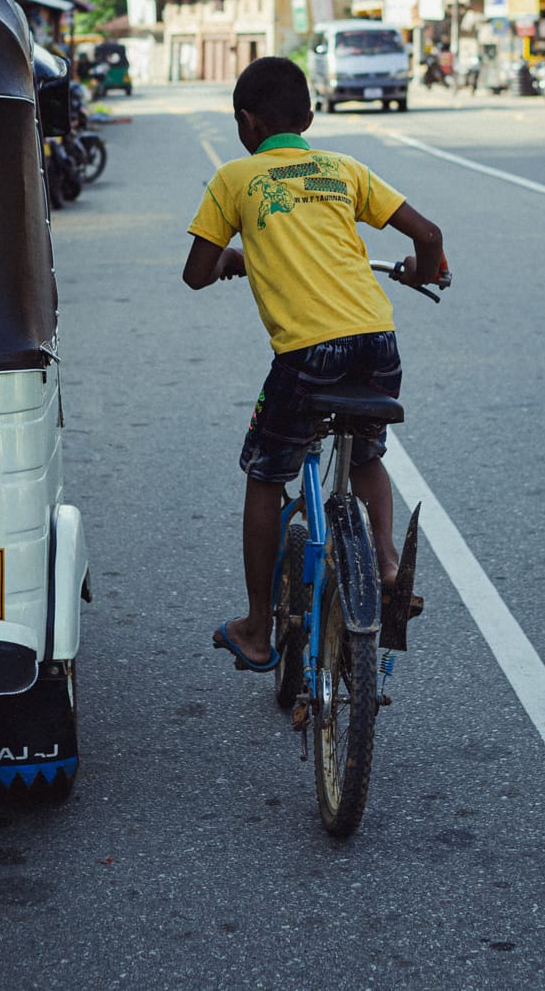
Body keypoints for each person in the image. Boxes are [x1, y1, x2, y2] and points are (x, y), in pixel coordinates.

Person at [182, 56, 445, 672]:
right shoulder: (343, 170)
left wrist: (230, 258)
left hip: (308, 354)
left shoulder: (236, 179)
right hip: (377, 341)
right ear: (309, 116)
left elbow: (196, 274)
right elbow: (428, 237)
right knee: (368, 454)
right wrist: (422, 273)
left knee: (265, 474)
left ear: (247, 123)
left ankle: (254, 627)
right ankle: (384, 564)